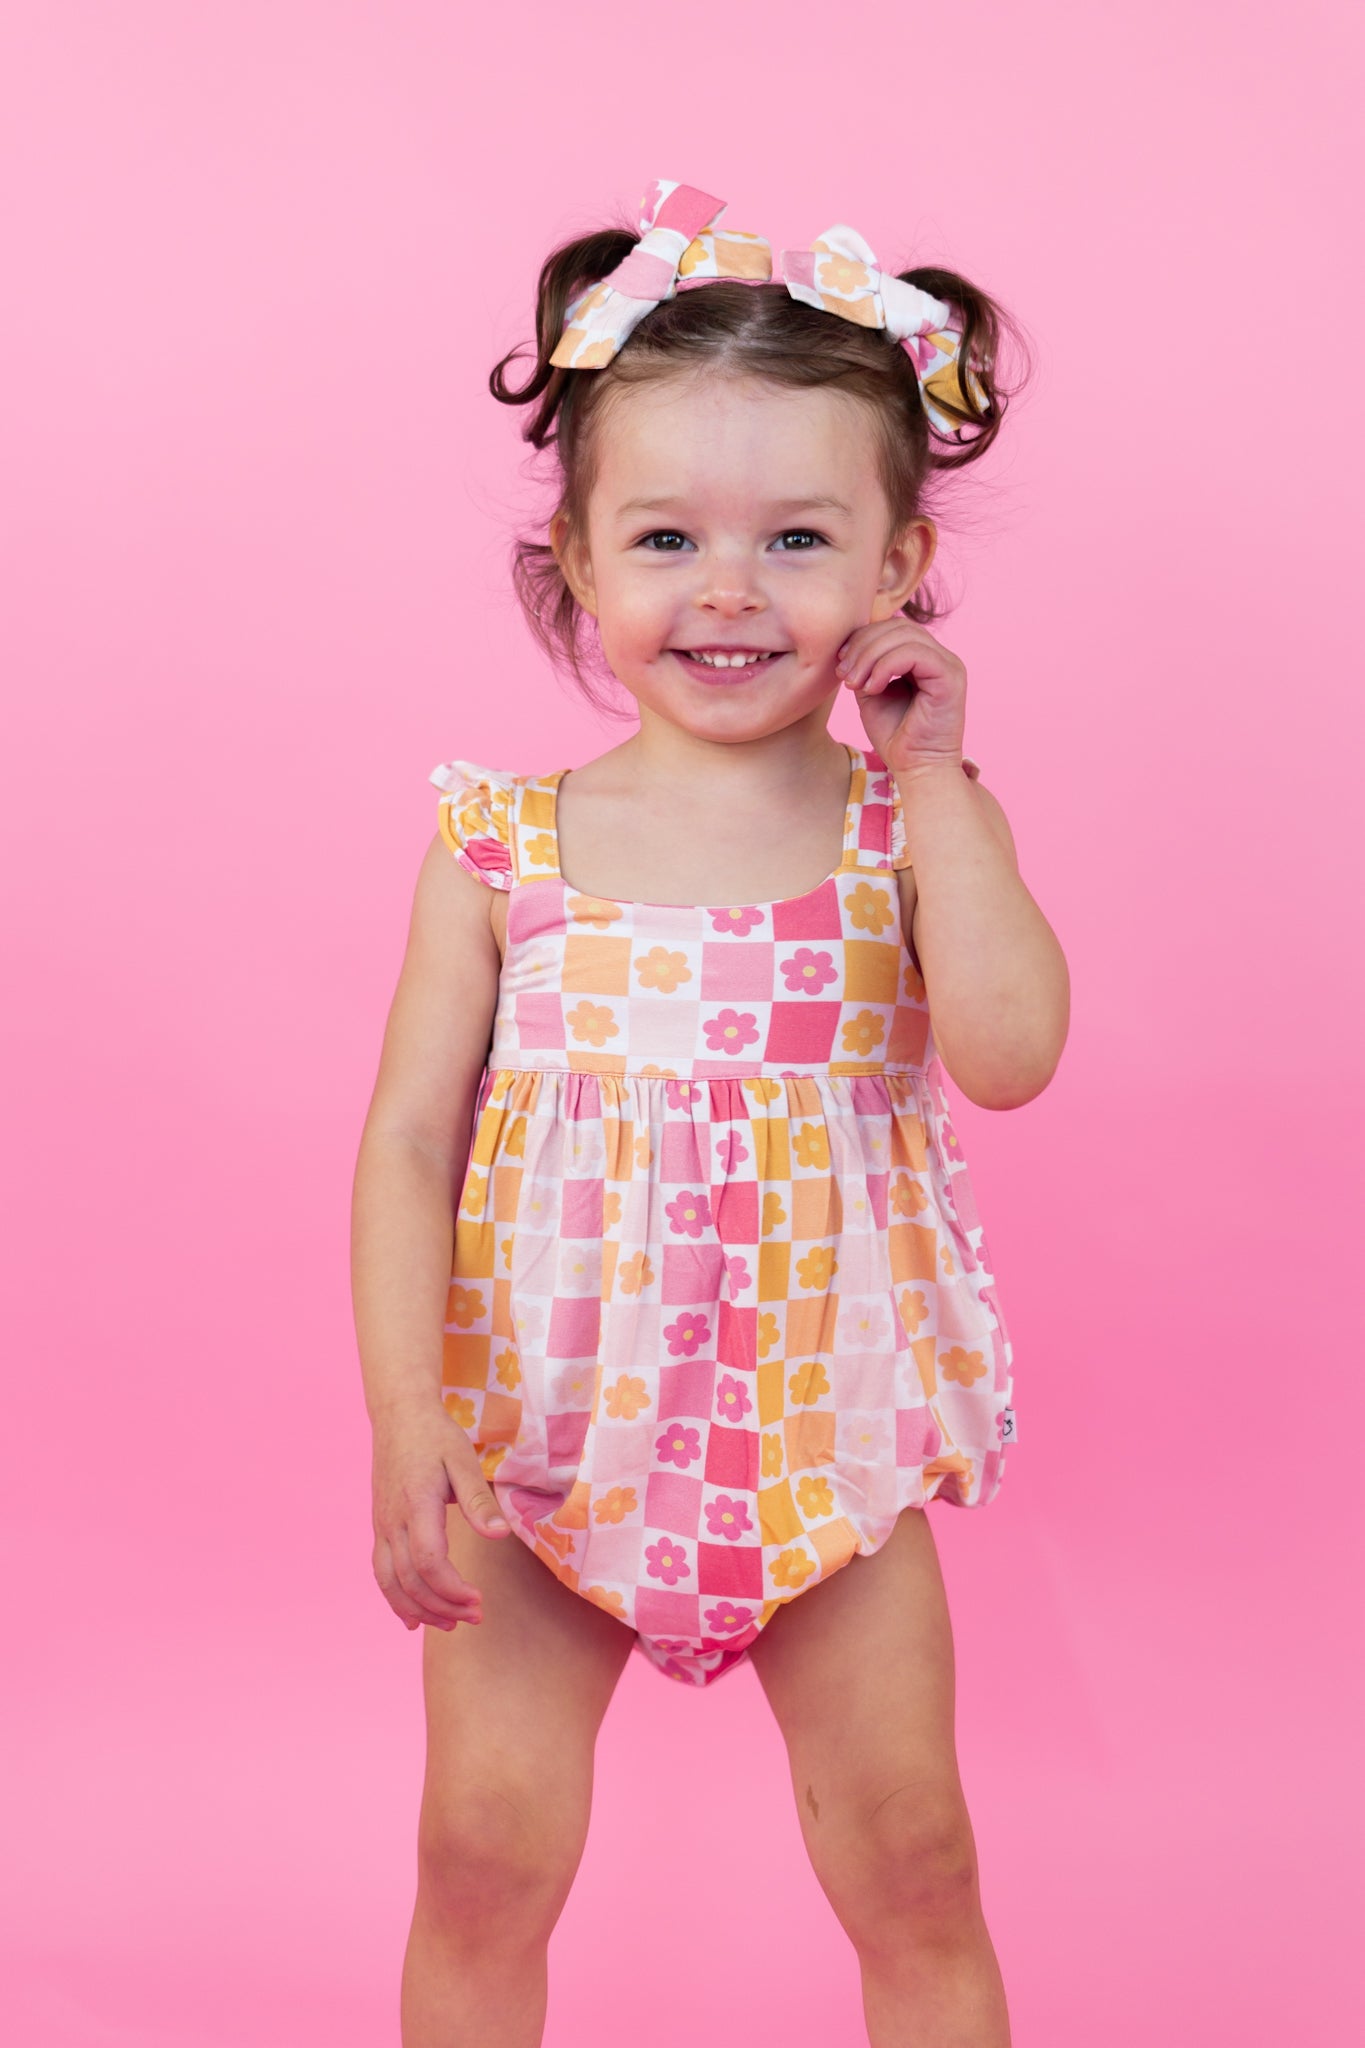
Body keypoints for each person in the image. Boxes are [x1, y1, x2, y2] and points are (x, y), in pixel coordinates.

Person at [351, 179, 1069, 2048]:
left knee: (913, 1857)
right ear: (578, 563)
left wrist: (942, 789)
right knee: (482, 1853)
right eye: (665, 537)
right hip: (537, 1436)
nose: (729, 590)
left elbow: (1008, 1053)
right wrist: (410, 1420)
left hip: (824, 1426)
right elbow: (410, 1141)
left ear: (897, 568)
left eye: (797, 540)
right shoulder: (499, 846)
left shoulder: (906, 828)